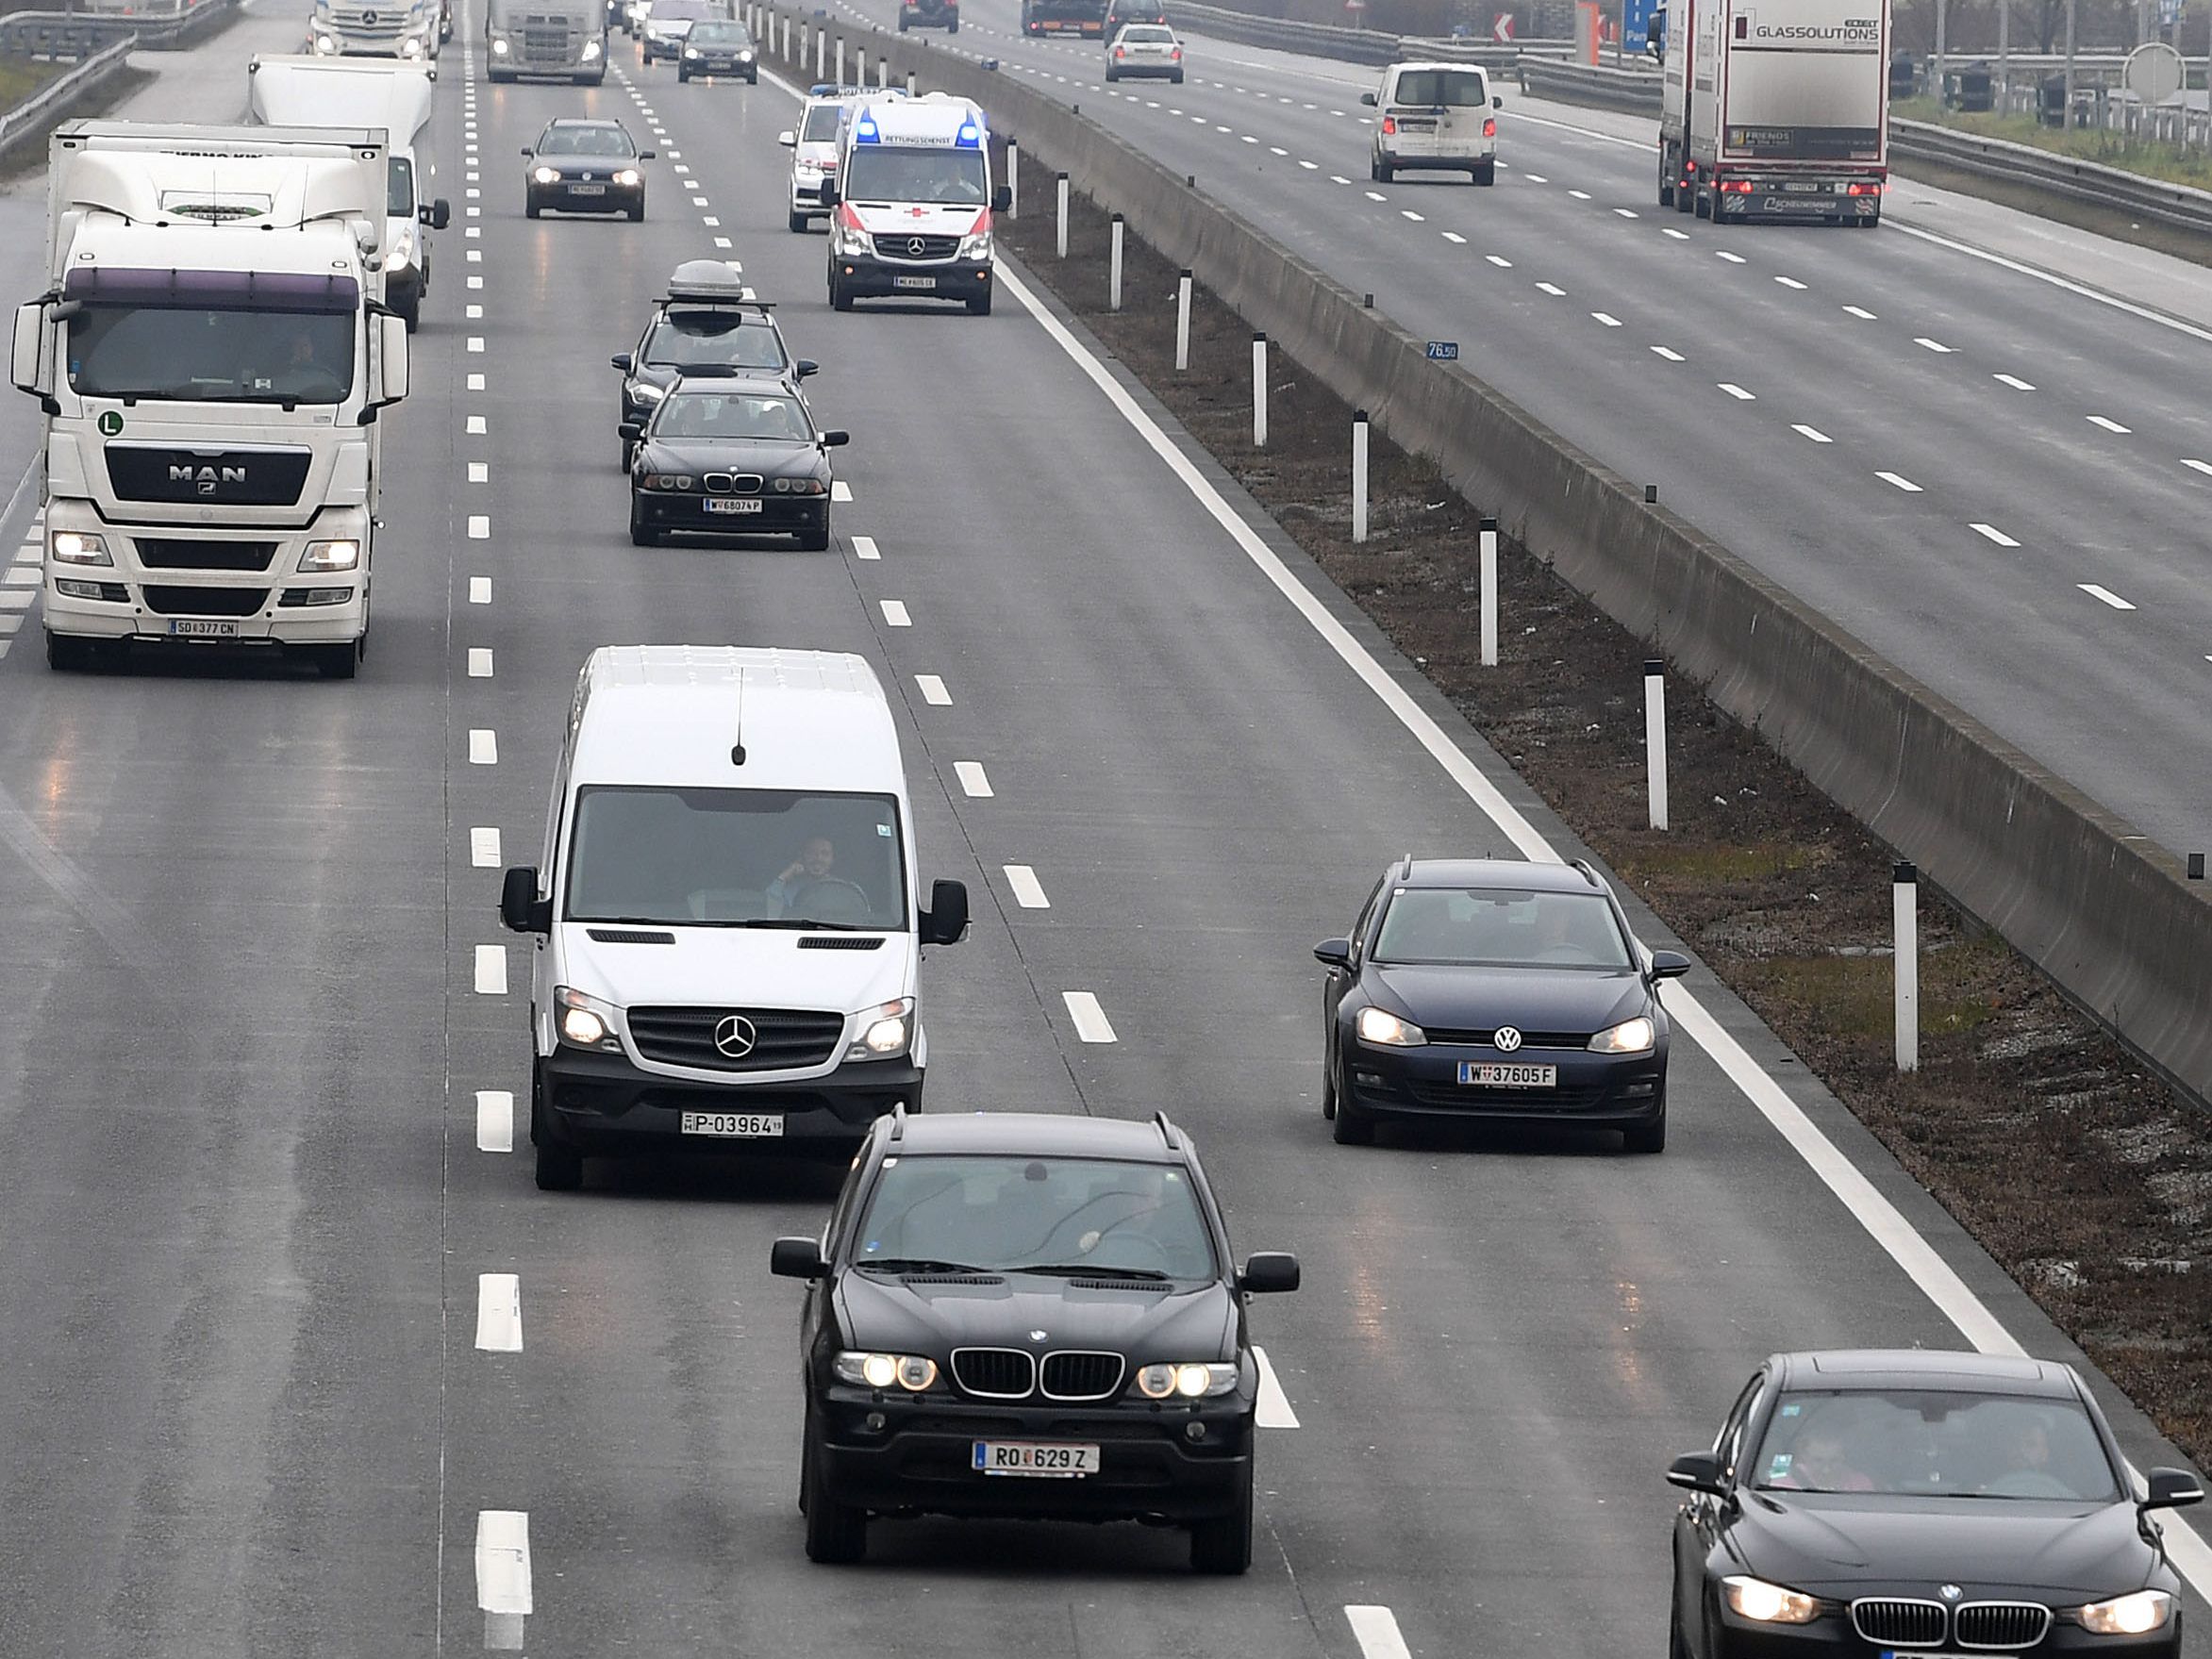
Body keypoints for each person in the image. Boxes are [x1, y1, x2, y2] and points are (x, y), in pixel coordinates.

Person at [1771, 1425, 1875, 1493]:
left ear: (1843, 1457)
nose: (1826, 1469)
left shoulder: (1860, 1484)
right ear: (1804, 1456)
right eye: (1818, 1461)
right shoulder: (1784, 1484)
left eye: (1834, 1461)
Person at [766, 835, 836, 917]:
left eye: (825, 854)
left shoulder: (842, 889)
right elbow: (770, 912)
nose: (818, 858)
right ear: (801, 856)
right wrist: (783, 877)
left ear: (832, 859)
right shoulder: (789, 890)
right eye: (811, 853)